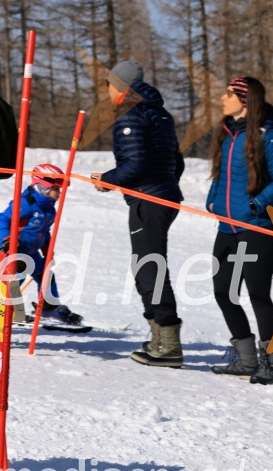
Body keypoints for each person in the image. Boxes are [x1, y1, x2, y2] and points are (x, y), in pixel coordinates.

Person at [91, 60, 185, 367]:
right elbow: (176, 162)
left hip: (150, 199)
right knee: (147, 266)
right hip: (161, 197)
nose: (106, 91)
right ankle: (158, 337)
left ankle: (168, 344)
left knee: (150, 269)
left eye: (108, 85)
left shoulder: (130, 116)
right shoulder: (159, 113)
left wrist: (107, 180)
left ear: (120, 87)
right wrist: (165, 185)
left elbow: (136, 164)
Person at [207, 77, 273, 385]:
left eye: (229, 93)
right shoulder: (228, 133)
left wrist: (258, 205)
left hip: (257, 228)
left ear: (245, 100)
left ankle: (269, 364)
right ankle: (245, 359)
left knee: (258, 295)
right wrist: (213, 199)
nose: (222, 97)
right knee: (223, 292)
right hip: (227, 228)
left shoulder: (266, 134)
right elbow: (223, 175)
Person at [0, 164, 83, 324]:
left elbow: (44, 231)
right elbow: (3, 219)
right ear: (43, 186)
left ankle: (48, 308)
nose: (60, 193)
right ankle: (9, 309)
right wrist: (6, 240)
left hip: (32, 251)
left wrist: (47, 249)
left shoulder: (49, 209)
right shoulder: (26, 203)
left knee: (46, 277)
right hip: (16, 249)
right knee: (16, 278)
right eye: (56, 189)